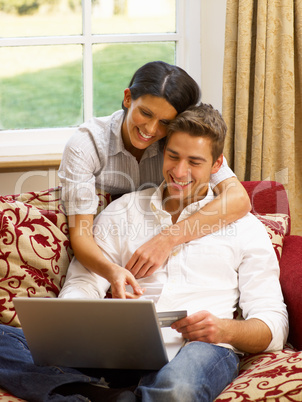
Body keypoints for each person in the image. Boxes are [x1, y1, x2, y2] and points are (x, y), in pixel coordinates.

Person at [57, 103, 288, 401]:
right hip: (122, 350)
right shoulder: (123, 212)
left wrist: (225, 330)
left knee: (178, 390)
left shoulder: (245, 228)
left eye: (194, 162)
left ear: (217, 165)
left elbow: (273, 324)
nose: (179, 172)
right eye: (173, 156)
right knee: (5, 341)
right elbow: (83, 283)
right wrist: (84, 319)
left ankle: (98, 395)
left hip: (199, 350)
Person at [57, 61, 251, 299]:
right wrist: (112, 271)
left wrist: (168, 239)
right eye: (145, 113)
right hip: (110, 241)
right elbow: (82, 235)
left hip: (159, 235)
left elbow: (239, 199)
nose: (150, 129)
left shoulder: (177, 145)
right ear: (128, 98)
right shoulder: (87, 145)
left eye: (165, 122)